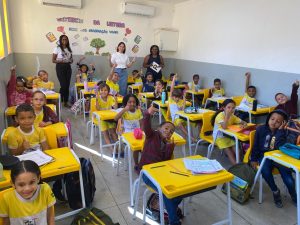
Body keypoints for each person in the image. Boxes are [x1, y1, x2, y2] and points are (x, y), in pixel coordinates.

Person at [138, 105, 182, 225]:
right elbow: (146, 126)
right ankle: (174, 221)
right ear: (159, 128)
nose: (168, 131)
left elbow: (166, 162)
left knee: (180, 190)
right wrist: (147, 113)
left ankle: (167, 207)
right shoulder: (152, 136)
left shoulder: (167, 144)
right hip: (147, 173)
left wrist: (170, 147)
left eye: (171, 131)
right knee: (166, 192)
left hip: (161, 174)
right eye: (166, 128)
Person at [250, 109, 296, 208]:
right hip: (265, 155)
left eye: (278, 121)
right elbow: (256, 146)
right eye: (272, 119)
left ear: (283, 123)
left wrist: (280, 132)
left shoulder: (286, 132)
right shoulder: (261, 129)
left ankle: (294, 195)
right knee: (265, 170)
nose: (274, 122)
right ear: (268, 118)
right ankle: (275, 191)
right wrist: (253, 159)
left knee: (288, 178)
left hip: (280, 157)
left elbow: (280, 146)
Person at [0, 160, 56, 225]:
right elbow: (6, 222)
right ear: (12, 183)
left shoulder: (45, 189)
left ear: (38, 178)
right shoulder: (7, 199)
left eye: (31, 182)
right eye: (21, 184)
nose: (27, 189)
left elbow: (50, 216)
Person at [211, 99, 247, 165]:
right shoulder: (220, 116)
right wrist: (227, 116)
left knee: (238, 151)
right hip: (219, 137)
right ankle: (237, 168)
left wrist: (243, 125)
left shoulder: (233, 116)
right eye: (228, 107)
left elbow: (244, 122)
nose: (231, 110)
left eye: (233, 108)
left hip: (228, 136)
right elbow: (224, 127)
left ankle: (239, 164)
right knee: (230, 153)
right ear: (223, 108)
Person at [114, 94, 143, 169]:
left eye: (134, 102)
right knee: (137, 148)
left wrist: (142, 132)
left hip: (137, 134)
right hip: (127, 135)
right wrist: (124, 110)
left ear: (136, 103)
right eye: (129, 102)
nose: (132, 104)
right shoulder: (125, 112)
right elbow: (115, 119)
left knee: (145, 146)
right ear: (125, 103)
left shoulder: (138, 111)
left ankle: (143, 162)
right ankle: (136, 164)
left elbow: (141, 123)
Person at [169, 75, 194, 142]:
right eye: (175, 97)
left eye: (178, 97)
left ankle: (188, 138)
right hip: (175, 118)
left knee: (188, 123)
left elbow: (182, 110)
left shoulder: (181, 101)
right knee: (180, 124)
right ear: (173, 97)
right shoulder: (171, 100)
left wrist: (184, 98)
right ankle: (191, 138)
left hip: (181, 117)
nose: (176, 98)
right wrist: (173, 79)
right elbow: (171, 89)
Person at [95, 83, 118, 153]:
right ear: (99, 91)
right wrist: (96, 100)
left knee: (113, 131)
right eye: (101, 90)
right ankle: (112, 149)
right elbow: (98, 109)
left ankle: (118, 147)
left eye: (105, 90)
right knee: (105, 133)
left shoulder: (110, 98)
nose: (103, 92)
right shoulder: (98, 98)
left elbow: (116, 108)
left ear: (108, 91)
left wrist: (116, 100)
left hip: (109, 118)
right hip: (101, 119)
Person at [52, 34, 73, 107]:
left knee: (67, 85)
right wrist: (62, 61)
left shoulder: (69, 49)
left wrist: (70, 60)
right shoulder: (57, 48)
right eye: (63, 39)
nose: (65, 41)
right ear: (60, 40)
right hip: (60, 67)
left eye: (66, 39)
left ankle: (65, 102)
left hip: (68, 68)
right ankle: (60, 100)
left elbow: (71, 60)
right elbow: (53, 60)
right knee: (63, 85)